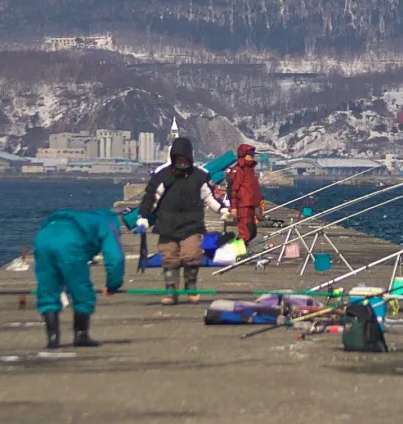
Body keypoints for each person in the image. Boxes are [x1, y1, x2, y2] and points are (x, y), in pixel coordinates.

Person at [137, 137, 231, 305]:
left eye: (184, 159)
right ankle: (171, 290)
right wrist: (143, 216)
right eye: (178, 159)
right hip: (166, 224)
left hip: (192, 224)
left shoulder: (199, 176)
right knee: (169, 256)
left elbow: (208, 197)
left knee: (192, 255)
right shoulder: (163, 175)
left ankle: (191, 284)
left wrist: (222, 209)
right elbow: (151, 197)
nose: (181, 162)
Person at [33, 207, 129, 349]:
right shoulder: (106, 223)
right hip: (70, 242)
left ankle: (52, 339)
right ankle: (81, 335)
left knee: (47, 289)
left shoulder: (83, 217)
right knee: (81, 289)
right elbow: (115, 258)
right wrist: (113, 284)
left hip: (43, 238)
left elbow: (49, 221)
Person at [226, 143, 265, 244]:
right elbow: (233, 190)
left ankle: (241, 250)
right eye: (249, 155)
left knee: (252, 233)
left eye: (252, 156)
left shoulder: (250, 170)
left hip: (251, 206)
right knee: (246, 233)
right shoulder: (238, 170)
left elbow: (253, 189)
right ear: (243, 156)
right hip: (243, 207)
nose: (251, 158)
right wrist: (234, 207)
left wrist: (258, 203)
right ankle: (233, 253)